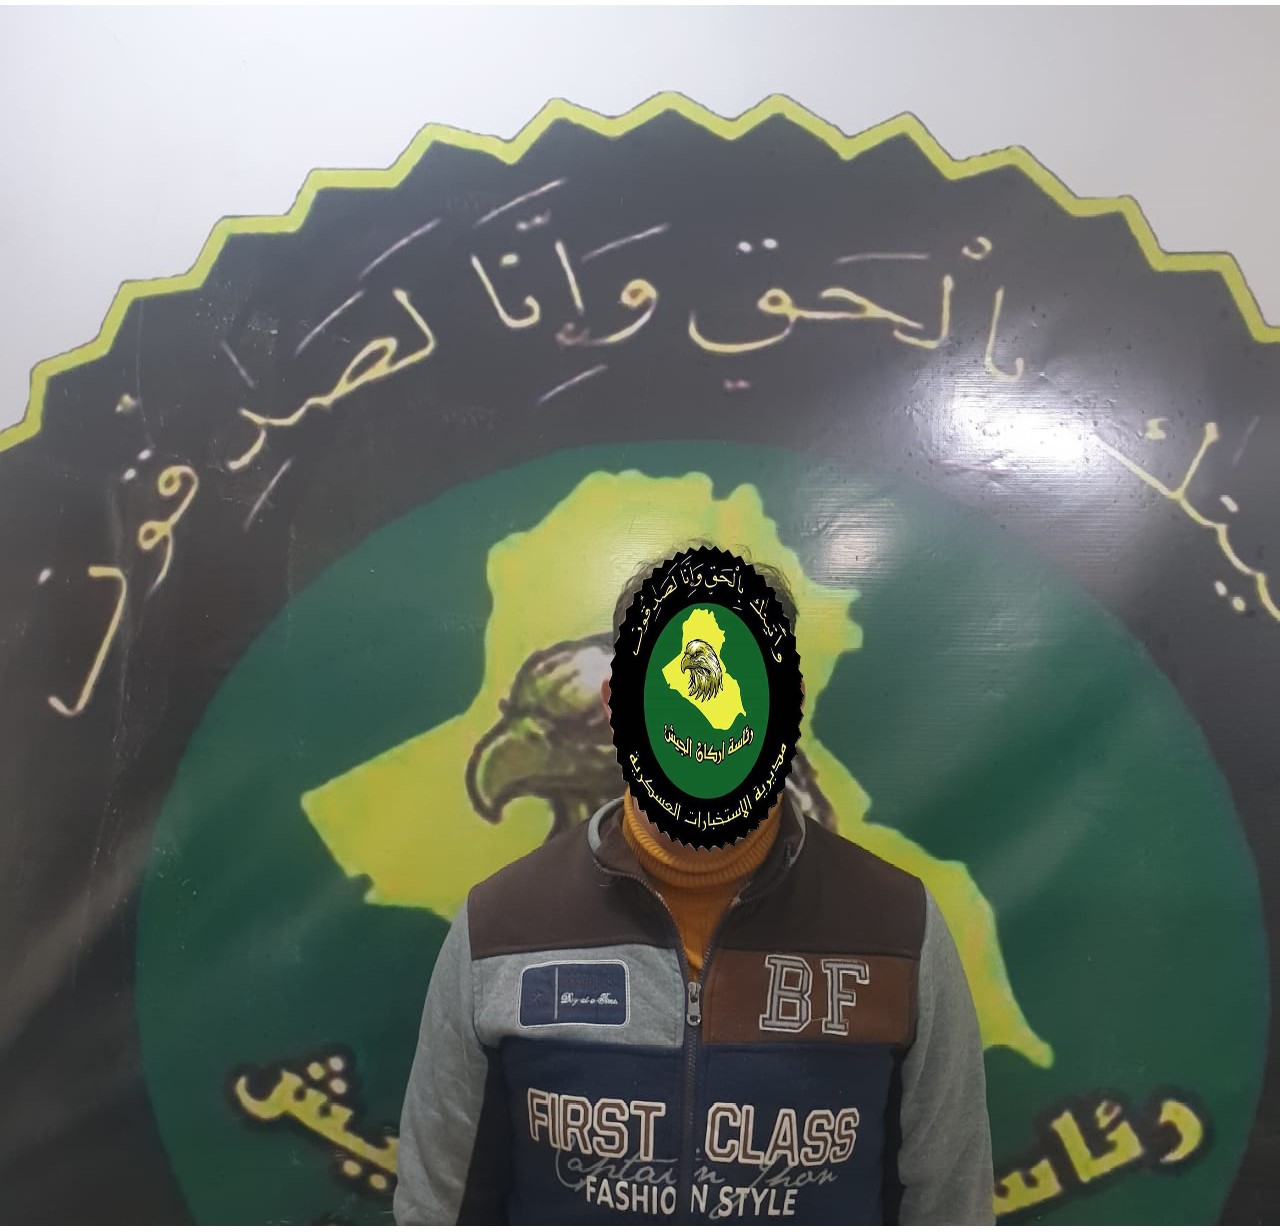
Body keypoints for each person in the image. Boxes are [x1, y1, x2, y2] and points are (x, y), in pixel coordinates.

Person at [395, 553, 994, 1225]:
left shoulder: (899, 929)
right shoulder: (499, 927)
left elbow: (950, 1207)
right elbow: (437, 1208)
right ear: (618, 706)